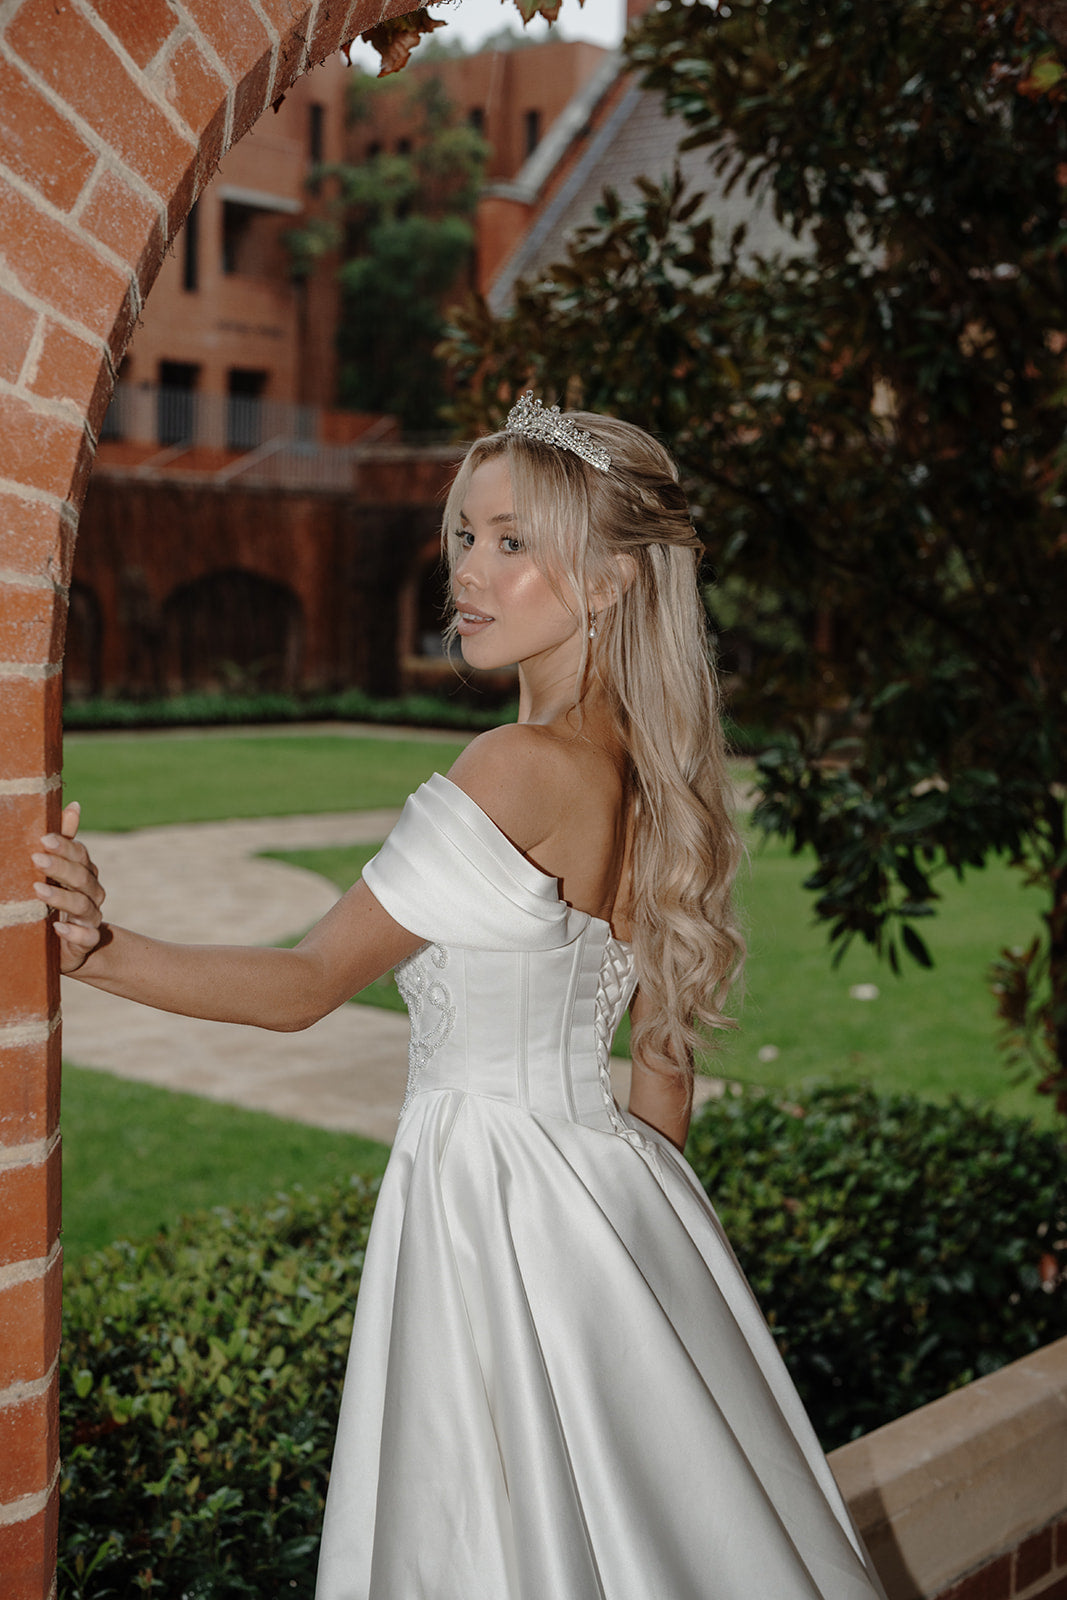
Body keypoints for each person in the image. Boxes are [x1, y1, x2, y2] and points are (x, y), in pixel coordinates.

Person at [35, 395, 887, 1599]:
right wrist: (629, 1241)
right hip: (613, 1194)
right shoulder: (651, 775)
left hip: (488, 1197)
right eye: (465, 537)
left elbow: (304, 985)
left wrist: (96, 950)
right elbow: (661, 1076)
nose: (467, 573)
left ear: (607, 582)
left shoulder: (514, 766)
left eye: (510, 541)